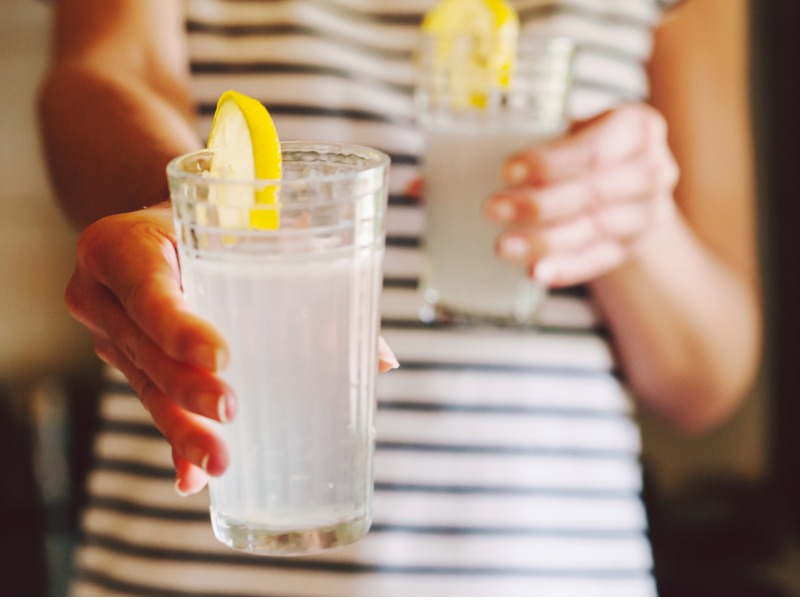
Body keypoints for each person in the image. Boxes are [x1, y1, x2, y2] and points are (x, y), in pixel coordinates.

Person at [37, 0, 759, 595]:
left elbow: (707, 380)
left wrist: (637, 221)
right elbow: (106, 70)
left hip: (544, 564)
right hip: (197, 557)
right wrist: (178, 211)